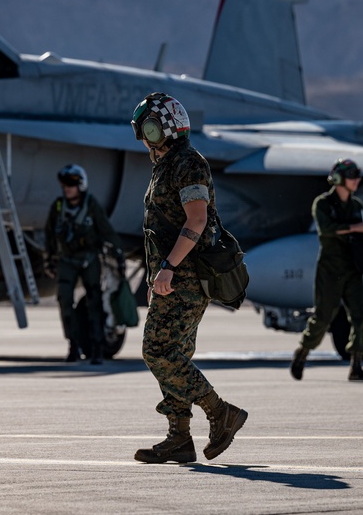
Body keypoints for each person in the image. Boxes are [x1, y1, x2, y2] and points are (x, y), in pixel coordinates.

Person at [130, 92, 248, 464]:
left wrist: (168, 269)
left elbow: (196, 220)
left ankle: (220, 412)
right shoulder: (168, 164)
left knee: (158, 352)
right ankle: (179, 438)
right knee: (176, 354)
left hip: (186, 277)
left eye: (148, 128)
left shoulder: (188, 164)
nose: (144, 136)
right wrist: (157, 278)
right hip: (172, 278)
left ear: (163, 128)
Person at [290, 158, 363, 382]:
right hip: (330, 269)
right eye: (352, 176)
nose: (357, 181)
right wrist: (355, 228)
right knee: (323, 316)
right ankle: (302, 353)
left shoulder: (357, 206)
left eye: (357, 176)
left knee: (359, 316)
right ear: (340, 179)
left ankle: (356, 365)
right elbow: (327, 230)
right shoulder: (323, 204)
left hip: (352, 268)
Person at [43, 164, 124, 365]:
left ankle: (96, 348)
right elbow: (50, 235)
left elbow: (106, 230)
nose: (67, 188)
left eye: (71, 184)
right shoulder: (58, 207)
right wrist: (49, 260)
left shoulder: (91, 206)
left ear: (80, 185)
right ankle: (73, 346)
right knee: (65, 303)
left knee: (94, 303)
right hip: (67, 260)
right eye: (65, 184)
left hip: (89, 260)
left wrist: (118, 255)